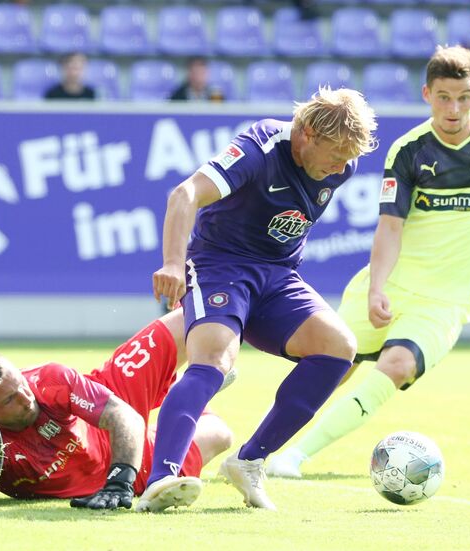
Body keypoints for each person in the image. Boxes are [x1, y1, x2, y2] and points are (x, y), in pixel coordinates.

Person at [267, 46, 470, 479]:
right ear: (427, 94)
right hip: (392, 285)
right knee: (330, 364)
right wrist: (376, 287)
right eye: (444, 97)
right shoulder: (409, 151)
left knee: (398, 365)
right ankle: (255, 453)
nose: (454, 109)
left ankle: (295, 457)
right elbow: (390, 227)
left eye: (463, 97)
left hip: (445, 302)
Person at [144, 88, 378, 511]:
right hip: (220, 265)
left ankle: (250, 461)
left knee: (339, 347)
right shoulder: (259, 147)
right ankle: (161, 479)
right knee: (214, 360)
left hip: (277, 277)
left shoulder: (339, 167)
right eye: (336, 153)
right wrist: (174, 264)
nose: (343, 166)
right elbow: (185, 195)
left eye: (348, 157)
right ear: (306, 133)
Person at [0, 309, 234, 511]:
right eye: (8, 400)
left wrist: (120, 481)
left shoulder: (48, 380)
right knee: (220, 435)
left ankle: (190, 385)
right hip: (131, 462)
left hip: (111, 406)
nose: (25, 398)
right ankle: (186, 394)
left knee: (193, 316)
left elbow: (125, 416)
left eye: (20, 383)